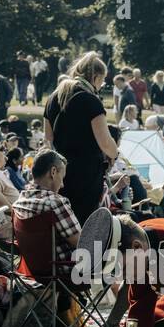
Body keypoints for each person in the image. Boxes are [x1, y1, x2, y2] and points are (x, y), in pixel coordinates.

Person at [43, 52, 118, 223]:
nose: (101, 85)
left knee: (65, 221)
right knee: (85, 222)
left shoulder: (53, 97)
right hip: (86, 173)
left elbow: (48, 139)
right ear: (95, 77)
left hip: (60, 172)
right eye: (102, 80)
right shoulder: (90, 100)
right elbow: (105, 142)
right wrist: (115, 153)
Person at [12, 149, 82, 277]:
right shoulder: (55, 203)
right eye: (62, 177)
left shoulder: (19, 203)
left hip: (32, 271)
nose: (62, 185)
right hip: (65, 272)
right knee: (121, 251)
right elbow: (82, 243)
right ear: (53, 172)